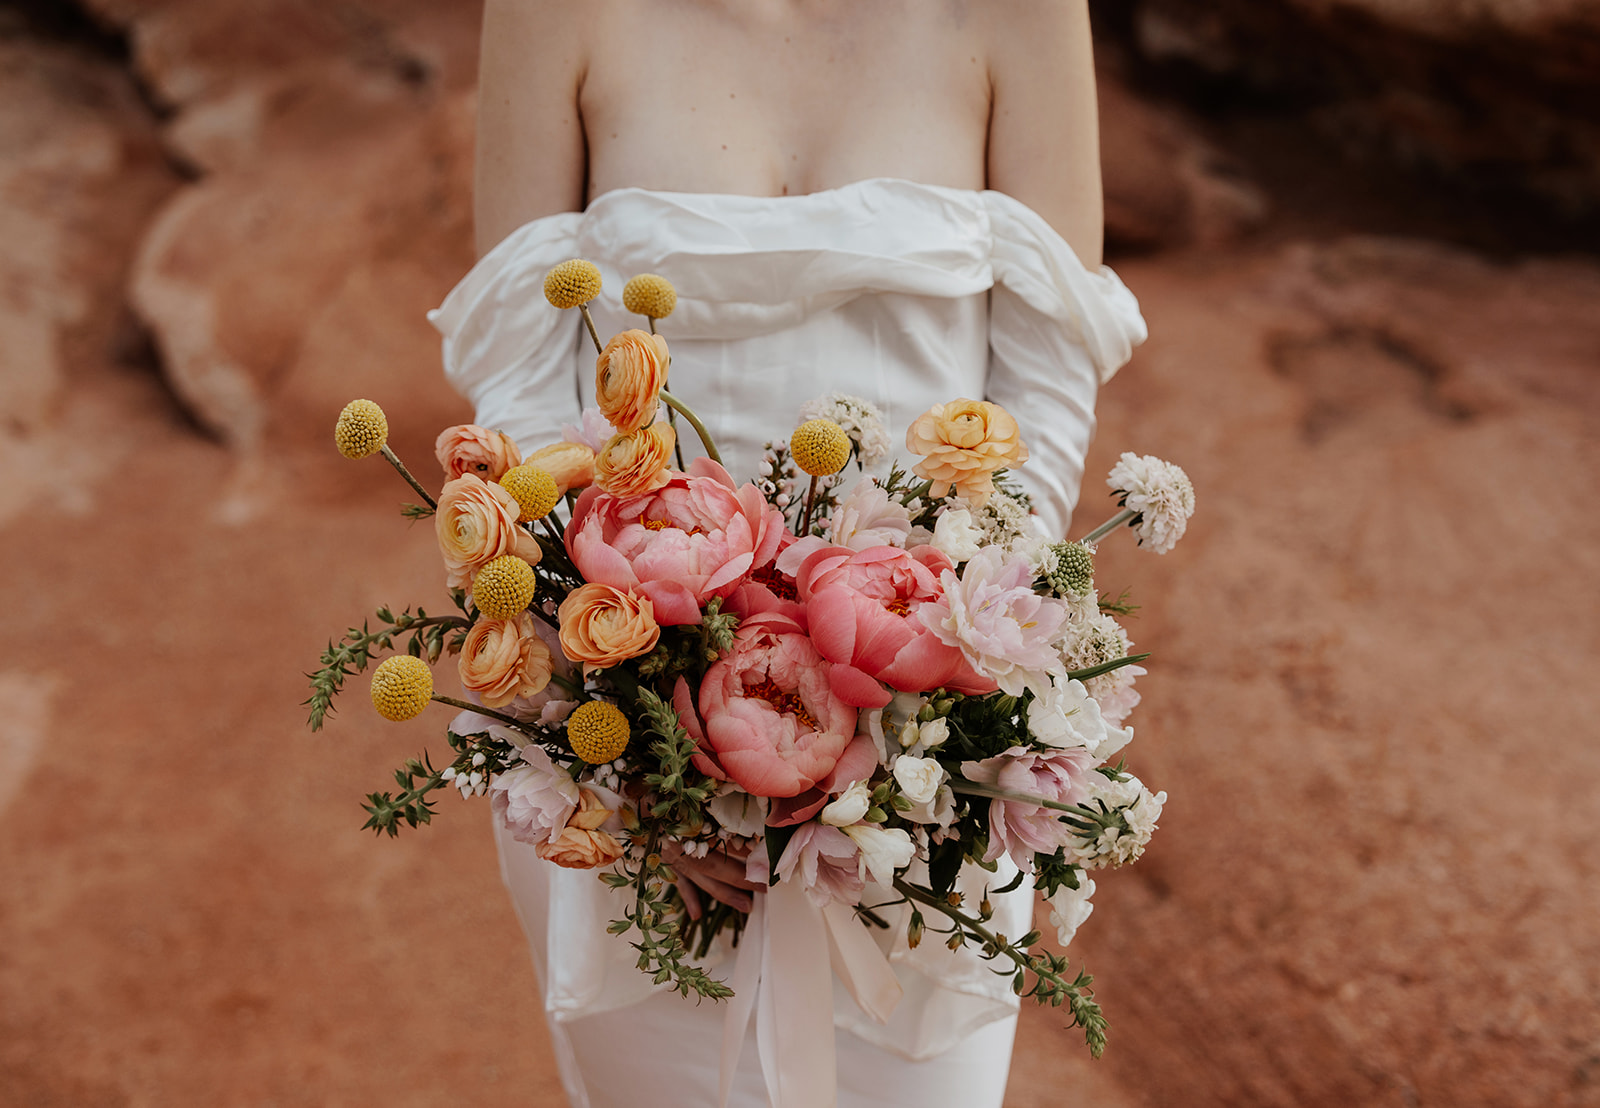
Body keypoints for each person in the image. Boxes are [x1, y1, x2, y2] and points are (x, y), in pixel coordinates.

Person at [431, 2, 1146, 1104]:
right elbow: (524, 377)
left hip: (927, 753)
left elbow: (1043, 393)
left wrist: (929, 725)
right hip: (626, 745)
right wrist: (647, 754)